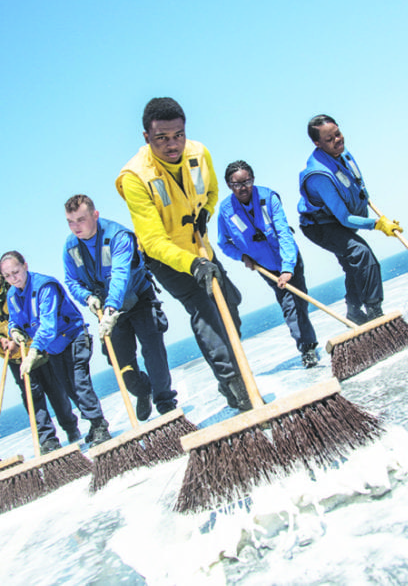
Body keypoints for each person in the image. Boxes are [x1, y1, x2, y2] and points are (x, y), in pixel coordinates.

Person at [115, 96, 251, 411]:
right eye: (161, 138)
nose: (172, 144)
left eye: (178, 135)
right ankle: (235, 384)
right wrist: (193, 264)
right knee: (204, 306)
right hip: (168, 258)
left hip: (199, 244)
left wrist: (207, 211)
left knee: (229, 304)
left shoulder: (199, 152)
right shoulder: (134, 178)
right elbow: (152, 240)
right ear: (146, 137)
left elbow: (213, 190)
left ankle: (226, 377)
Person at [63, 194, 177, 419]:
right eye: (70, 221)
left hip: (138, 299)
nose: (76, 226)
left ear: (95, 215)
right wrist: (87, 297)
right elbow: (71, 280)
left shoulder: (118, 236)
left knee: (153, 353)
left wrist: (111, 309)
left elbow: (120, 275)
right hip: (106, 308)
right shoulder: (70, 247)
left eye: (81, 219)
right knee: (122, 365)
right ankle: (142, 390)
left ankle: (166, 404)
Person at [298, 114, 402, 324]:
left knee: (353, 265)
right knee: (362, 254)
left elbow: (357, 187)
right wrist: (377, 224)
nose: (337, 140)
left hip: (338, 219)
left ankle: (354, 311)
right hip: (320, 226)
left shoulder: (344, 156)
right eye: (329, 139)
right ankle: (374, 310)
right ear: (317, 143)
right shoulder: (319, 175)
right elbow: (345, 218)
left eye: (338, 134)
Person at [0, 251, 111, 447]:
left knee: (79, 383)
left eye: (15, 272)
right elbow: (15, 320)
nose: (13, 279)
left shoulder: (44, 286)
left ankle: (99, 424)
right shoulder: (12, 294)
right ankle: (94, 424)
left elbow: (48, 325)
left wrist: (33, 351)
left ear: (25, 266)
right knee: (69, 388)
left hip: (73, 338)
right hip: (53, 348)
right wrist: (14, 331)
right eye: (7, 276)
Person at [218, 161, 319, 367]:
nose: (243, 187)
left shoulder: (268, 197)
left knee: (299, 302)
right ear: (229, 185)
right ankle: (307, 349)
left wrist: (288, 268)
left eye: (247, 181)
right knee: (289, 305)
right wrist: (242, 257)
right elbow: (223, 243)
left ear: (253, 179)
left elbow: (283, 233)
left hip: (289, 260)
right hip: (265, 267)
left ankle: (307, 342)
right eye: (237, 184)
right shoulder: (226, 211)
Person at [0, 274, 80, 454]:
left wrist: (16, 336)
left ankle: (70, 427)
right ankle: (48, 439)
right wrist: (3, 341)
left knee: (56, 390)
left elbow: (29, 313)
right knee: (31, 396)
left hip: (38, 349)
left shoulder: (13, 286)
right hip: (15, 357)